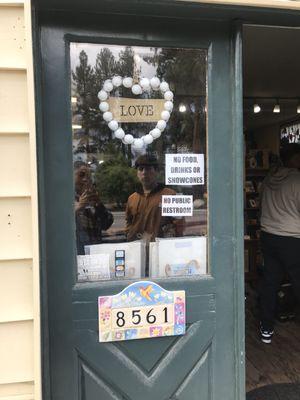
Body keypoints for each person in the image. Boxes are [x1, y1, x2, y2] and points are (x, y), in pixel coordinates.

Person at [259, 143, 300, 344]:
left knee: (270, 283)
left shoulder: (268, 178)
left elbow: (261, 202)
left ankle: (266, 329)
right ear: (293, 159)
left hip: (268, 235)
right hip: (292, 238)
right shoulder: (297, 180)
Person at [125, 154, 181, 242]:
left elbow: (179, 225)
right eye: (141, 169)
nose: (144, 172)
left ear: (156, 171)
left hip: (161, 249)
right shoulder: (132, 198)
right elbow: (129, 224)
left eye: (148, 169)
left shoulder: (170, 195)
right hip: (136, 248)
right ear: (137, 173)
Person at [74, 162, 113, 254]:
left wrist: (99, 204)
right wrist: (79, 207)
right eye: (81, 175)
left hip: (95, 255)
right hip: (76, 256)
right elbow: (59, 227)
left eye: (89, 176)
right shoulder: (65, 200)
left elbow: (107, 224)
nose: (85, 179)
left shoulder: (92, 200)